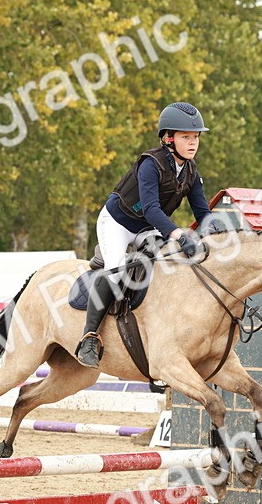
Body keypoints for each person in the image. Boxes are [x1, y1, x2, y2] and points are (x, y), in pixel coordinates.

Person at [75, 102, 214, 368]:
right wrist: (178, 234)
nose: (193, 142)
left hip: (146, 229)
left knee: (169, 265)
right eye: (186, 137)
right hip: (117, 223)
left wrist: (215, 233)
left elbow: (202, 210)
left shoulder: (191, 171)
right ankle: (90, 337)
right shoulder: (151, 164)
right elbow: (151, 208)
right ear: (168, 139)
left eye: (196, 137)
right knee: (116, 271)